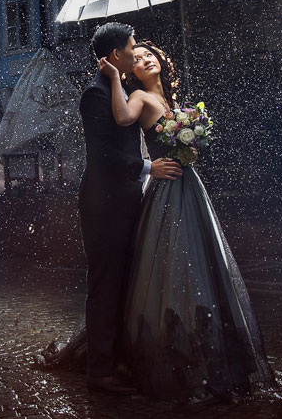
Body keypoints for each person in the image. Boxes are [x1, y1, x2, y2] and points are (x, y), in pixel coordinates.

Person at [95, 39, 273, 403]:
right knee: (173, 265)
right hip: (166, 191)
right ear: (133, 70)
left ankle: (213, 354)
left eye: (150, 55)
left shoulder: (173, 103)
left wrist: (191, 144)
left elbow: (185, 147)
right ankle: (177, 357)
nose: (145, 59)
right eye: (138, 58)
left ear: (161, 60)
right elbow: (122, 118)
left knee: (204, 263)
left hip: (190, 187)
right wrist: (115, 78)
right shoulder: (141, 98)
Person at [74, 22, 182, 395]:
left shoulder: (122, 87)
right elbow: (103, 154)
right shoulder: (95, 94)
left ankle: (117, 358)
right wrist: (149, 167)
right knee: (105, 284)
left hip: (127, 198)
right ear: (115, 55)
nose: (137, 54)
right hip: (103, 204)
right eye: (132, 50)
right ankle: (99, 371)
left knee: (125, 282)